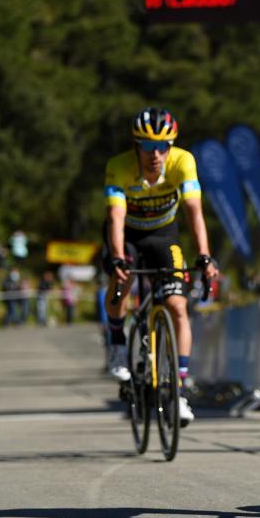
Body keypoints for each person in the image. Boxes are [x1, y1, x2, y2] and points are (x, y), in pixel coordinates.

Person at [102, 107, 218, 427]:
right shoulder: (119, 167)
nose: (156, 155)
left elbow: (195, 211)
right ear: (136, 145)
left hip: (163, 235)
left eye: (163, 147)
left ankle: (178, 391)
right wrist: (116, 257)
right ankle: (116, 343)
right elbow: (115, 217)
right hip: (127, 235)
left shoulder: (183, 162)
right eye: (148, 147)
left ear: (171, 146)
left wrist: (205, 256)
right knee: (121, 277)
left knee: (178, 307)